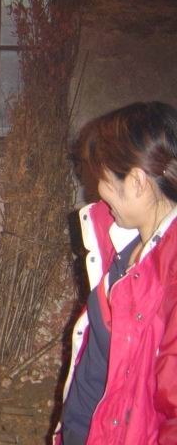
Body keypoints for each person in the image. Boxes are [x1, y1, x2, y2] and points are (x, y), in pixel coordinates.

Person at [58, 102, 177, 444]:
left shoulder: (169, 279)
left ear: (137, 181)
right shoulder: (124, 247)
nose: (97, 191)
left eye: (105, 179)